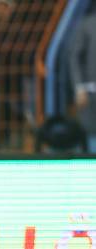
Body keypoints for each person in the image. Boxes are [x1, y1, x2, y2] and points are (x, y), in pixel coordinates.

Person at [69, 6, 96, 150]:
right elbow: (75, 58)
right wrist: (80, 88)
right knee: (92, 138)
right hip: (92, 94)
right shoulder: (89, 24)